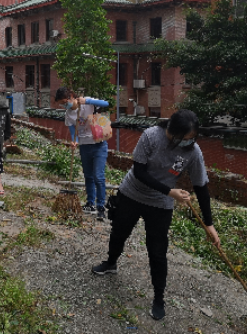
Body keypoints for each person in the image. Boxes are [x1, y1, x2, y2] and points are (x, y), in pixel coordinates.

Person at [91, 109, 220, 321]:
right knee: (119, 232)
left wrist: (209, 223)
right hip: (132, 193)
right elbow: (139, 171)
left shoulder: (193, 152)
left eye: (193, 138)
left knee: (157, 252)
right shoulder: (152, 135)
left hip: (160, 204)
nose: (190, 142)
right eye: (186, 138)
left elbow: (202, 187)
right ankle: (111, 262)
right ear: (172, 131)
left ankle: (159, 297)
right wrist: (171, 192)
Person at [55, 87, 110, 219]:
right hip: (85, 146)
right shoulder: (69, 114)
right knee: (88, 176)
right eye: (61, 104)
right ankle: (90, 203)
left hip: (98, 144)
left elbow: (106, 104)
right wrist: (75, 141)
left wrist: (87, 100)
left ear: (71, 97)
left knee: (98, 176)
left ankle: (100, 206)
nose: (64, 105)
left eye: (64, 102)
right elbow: (74, 132)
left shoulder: (88, 104)